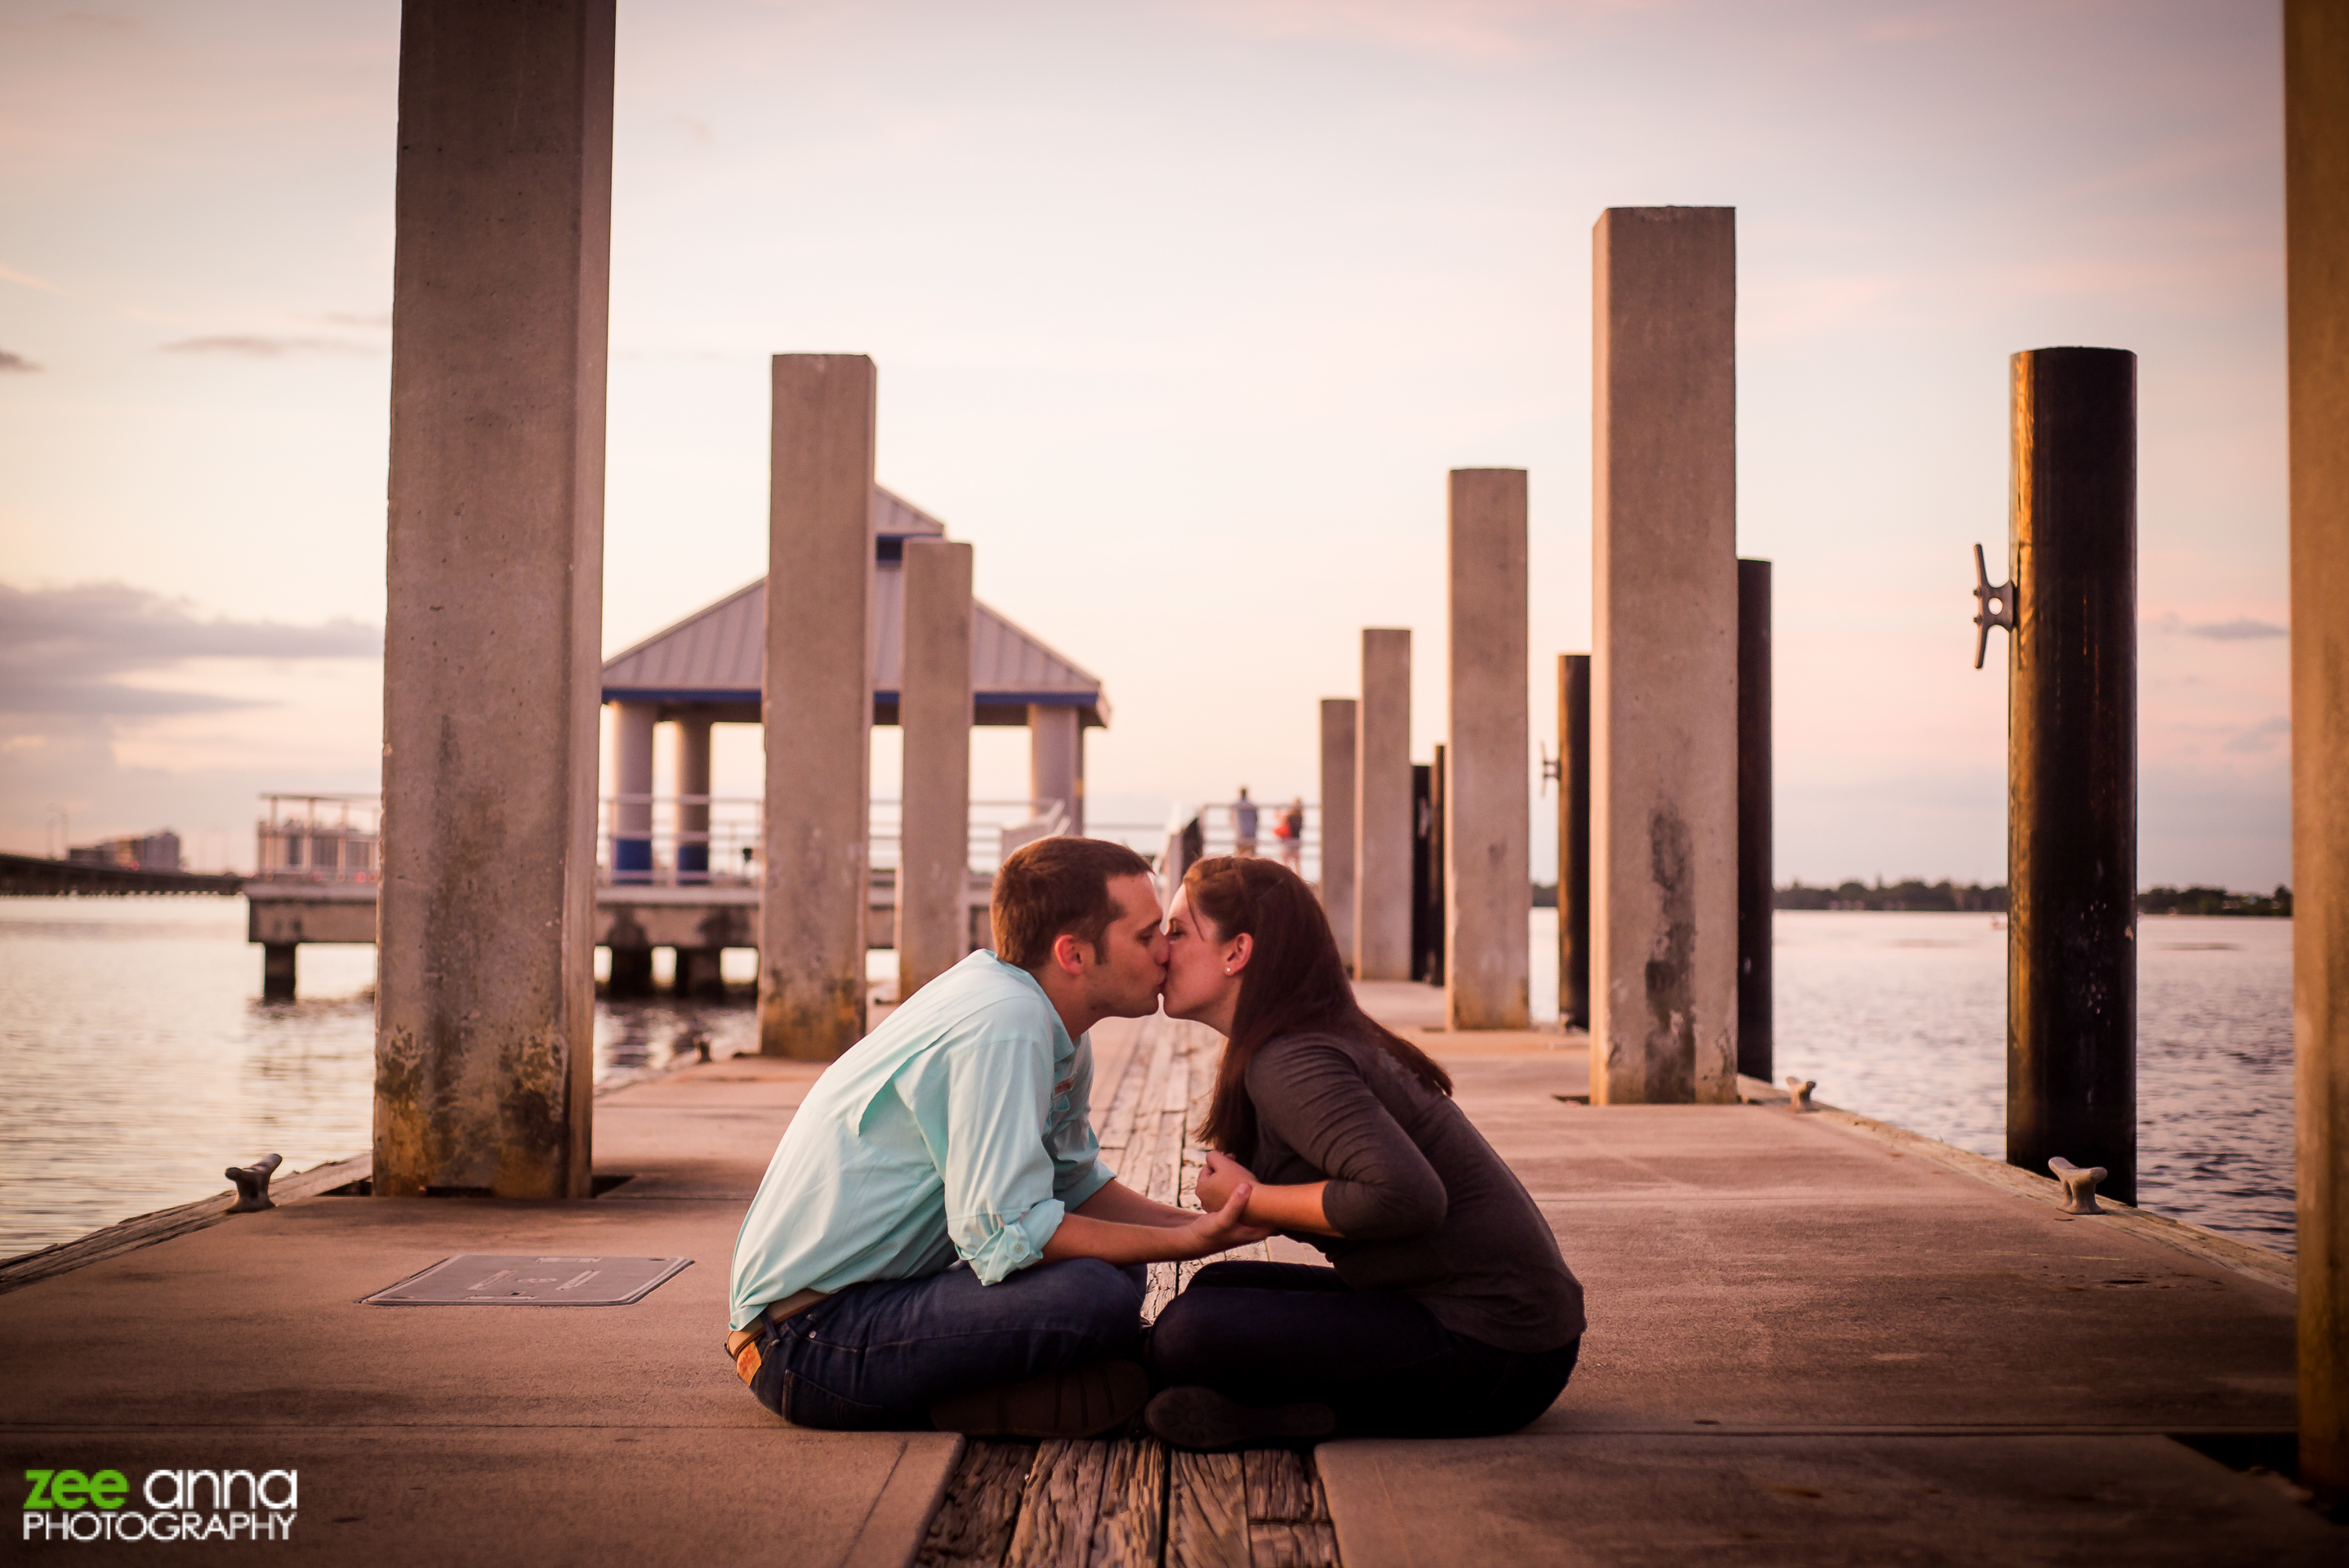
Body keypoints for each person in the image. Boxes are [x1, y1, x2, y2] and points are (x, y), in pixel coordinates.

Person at [725, 836, 1269, 1437]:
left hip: (876, 1302)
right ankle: (1000, 1398)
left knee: (1119, 1264)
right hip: (807, 1340)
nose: (1166, 951)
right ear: (1074, 954)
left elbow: (1074, 1184)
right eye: (1145, 936)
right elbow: (999, 1234)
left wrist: (1199, 1228)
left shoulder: (1052, 1021)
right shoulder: (1004, 1022)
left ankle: (1030, 1391)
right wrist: (1190, 1241)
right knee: (1093, 1293)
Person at [1141, 855, 1585, 1451]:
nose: (1162, 951)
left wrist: (1253, 1200)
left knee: (1187, 1335)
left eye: (1176, 931)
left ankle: (1305, 1411)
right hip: (1485, 1328)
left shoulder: (1289, 1060)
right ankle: (1297, 1410)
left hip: (1495, 1352)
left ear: (1236, 952)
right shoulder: (1293, 1042)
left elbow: (1407, 1197)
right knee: (1214, 1290)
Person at [1274, 796, 1306, 871]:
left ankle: (1286, 876)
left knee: (1286, 862)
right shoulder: (1300, 816)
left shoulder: (1290, 816)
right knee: (1297, 863)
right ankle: (1298, 878)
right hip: (1296, 841)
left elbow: (1279, 817)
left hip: (1288, 841)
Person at [1232, 787, 1259, 857]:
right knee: (1251, 855)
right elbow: (1256, 819)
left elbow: (1231, 819)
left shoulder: (1235, 806)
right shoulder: (1252, 806)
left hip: (1240, 833)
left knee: (1239, 854)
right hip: (1251, 833)